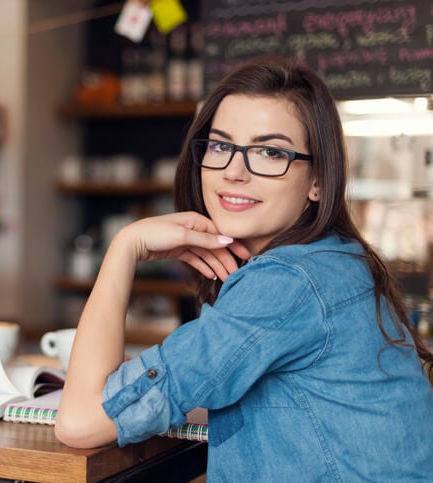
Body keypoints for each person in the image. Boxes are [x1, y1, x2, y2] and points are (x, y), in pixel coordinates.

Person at [55, 56, 433, 480]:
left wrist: (124, 247)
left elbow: (80, 422)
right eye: (220, 146)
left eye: (270, 152)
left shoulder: (287, 282)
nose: (234, 171)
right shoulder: (333, 258)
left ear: (319, 181)